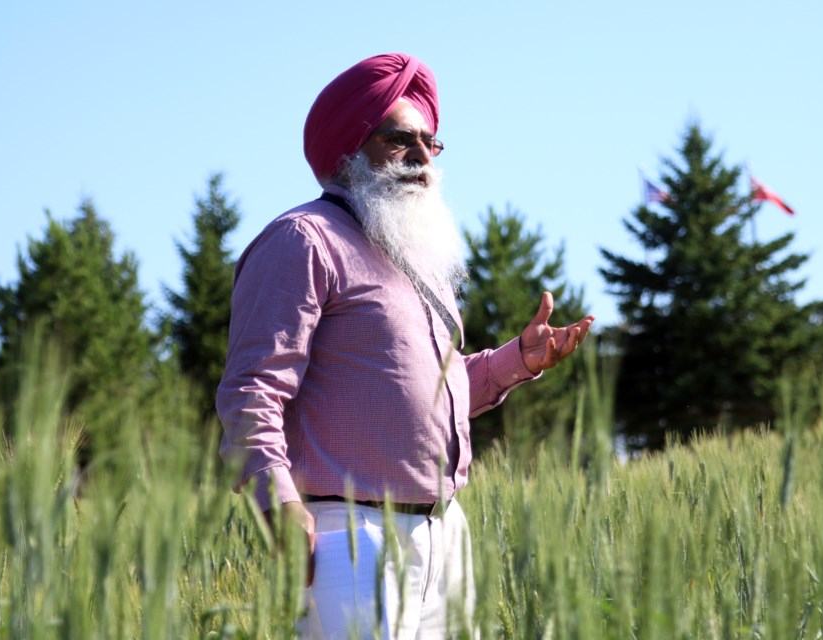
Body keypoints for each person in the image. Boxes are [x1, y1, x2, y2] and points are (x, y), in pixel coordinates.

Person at [216, 52, 595, 639]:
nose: (422, 157)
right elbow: (251, 392)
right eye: (400, 140)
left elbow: (431, 387)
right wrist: (276, 501)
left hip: (446, 535)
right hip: (347, 536)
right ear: (349, 151)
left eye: (431, 143)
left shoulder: (418, 258)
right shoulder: (303, 241)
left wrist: (519, 359)